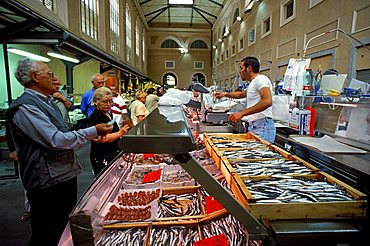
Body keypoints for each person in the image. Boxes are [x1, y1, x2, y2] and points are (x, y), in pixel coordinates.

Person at [6, 58, 113, 246]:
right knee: (47, 233)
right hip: (47, 181)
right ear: (34, 77)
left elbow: (63, 135)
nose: (54, 78)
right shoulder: (26, 107)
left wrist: (85, 136)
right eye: (49, 74)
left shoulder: (48, 102)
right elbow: (55, 140)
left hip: (62, 175)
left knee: (62, 230)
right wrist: (94, 130)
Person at [214, 56, 276, 143]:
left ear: (249, 68)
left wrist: (242, 113)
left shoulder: (261, 80)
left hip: (262, 126)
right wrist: (224, 94)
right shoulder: (253, 83)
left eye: (241, 68)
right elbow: (241, 94)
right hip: (256, 126)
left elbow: (267, 101)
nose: (240, 71)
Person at [88, 87, 130, 176]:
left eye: (110, 101)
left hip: (112, 153)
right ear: (95, 102)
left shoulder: (108, 113)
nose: (108, 104)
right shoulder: (96, 116)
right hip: (102, 155)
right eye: (104, 102)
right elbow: (103, 138)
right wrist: (120, 133)